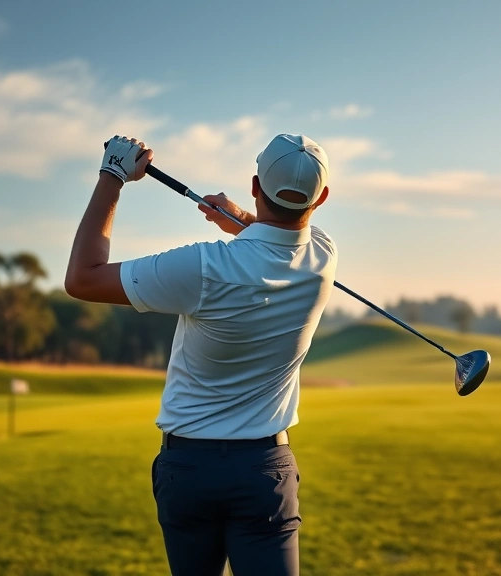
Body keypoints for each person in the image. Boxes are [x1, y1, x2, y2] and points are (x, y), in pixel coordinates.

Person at [64, 133, 337, 576]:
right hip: (265, 470)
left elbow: (83, 278)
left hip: (188, 469)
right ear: (321, 197)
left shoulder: (204, 267)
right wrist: (244, 222)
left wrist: (112, 176)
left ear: (254, 185)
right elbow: (284, 233)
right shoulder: (324, 255)